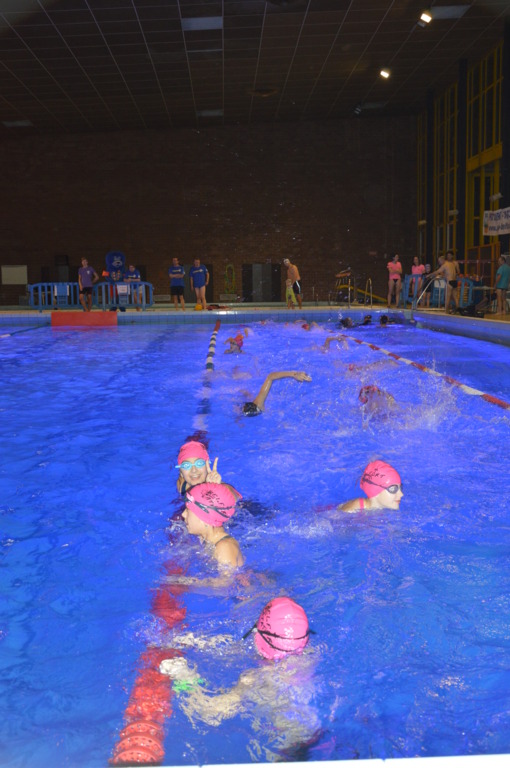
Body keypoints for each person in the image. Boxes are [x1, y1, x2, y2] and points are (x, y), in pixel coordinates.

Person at [159, 597, 319, 760]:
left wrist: (185, 677)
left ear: (257, 634)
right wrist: (200, 642)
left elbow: (210, 712)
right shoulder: (311, 658)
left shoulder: (255, 678)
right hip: (314, 740)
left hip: (286, 752)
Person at [182, 483, 243, 568]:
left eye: (188, 510)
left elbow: (229, 577)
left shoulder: (224, 547)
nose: (183, 514)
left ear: (204, 518)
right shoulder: (204, 539)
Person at [175, 440, 240, 499]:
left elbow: (236, 498)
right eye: (186, 465)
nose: (194, 470)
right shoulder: (181, 485)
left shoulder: (220, 486)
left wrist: (216, 489)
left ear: (207, 466)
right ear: (181, 472)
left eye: (199, 463)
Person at [338, 460, 403, 512]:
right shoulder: (355, 507)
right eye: (393, 489)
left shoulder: (383, 508)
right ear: (375, 491)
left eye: (400, 487)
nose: (401, 494)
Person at [242, 371, 312, 416]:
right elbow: (270, 377)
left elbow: (270, 377)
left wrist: (294, 374)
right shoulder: (258, 405)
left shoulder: (258, 405)